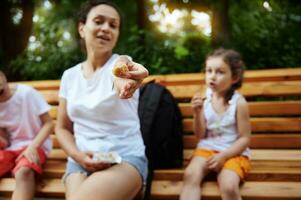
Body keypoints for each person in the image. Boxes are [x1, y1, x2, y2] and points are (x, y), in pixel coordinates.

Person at [55, 1, 149, 200]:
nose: (106, 28)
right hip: (80, 161)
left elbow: (120, 73)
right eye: (99, 21)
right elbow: (62, 127)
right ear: (82, 28)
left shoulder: (120, 62)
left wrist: (126, 83)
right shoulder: (69, 76)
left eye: (113, 25)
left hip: (125, 159)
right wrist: (78, 156)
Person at [180, 48, 251, 200]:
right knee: (190, 175)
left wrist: (224, 156)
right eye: (209, 70)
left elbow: (245, 139)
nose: (212, 76)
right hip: (206, 149)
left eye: (220, 72)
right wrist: (197, 112)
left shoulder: (238, 103)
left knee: (229, 185)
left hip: (232, 153)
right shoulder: (205, 99)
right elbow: (200, 135)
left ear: (235, 77)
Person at [0, 70, 54, 200]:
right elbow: (5, 141)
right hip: (11, 149)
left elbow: (49, 124)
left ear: (3, 76)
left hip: (35, 145)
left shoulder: (26, 93)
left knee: (24, 172)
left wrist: (33, 147)